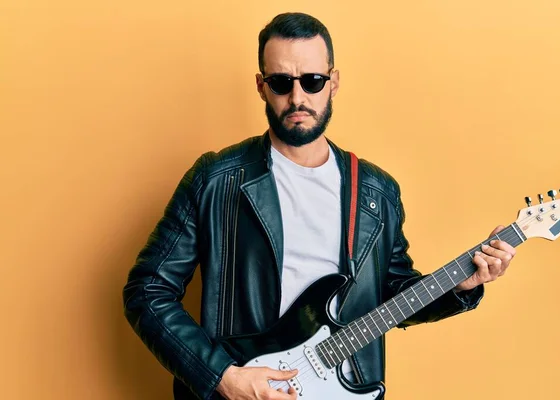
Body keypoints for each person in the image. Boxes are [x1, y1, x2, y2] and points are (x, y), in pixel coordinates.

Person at [122, 12, 516, 400]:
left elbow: (392, 296)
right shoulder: (216, 179)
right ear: (261, 86)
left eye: (312, 81)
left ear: (333, 82)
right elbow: (147, 290)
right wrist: (222, 376)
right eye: (281, 83)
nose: (298, 98)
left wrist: (461, 285)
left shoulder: (376, 192)